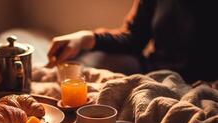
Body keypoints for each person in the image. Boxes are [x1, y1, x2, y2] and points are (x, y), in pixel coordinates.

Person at [47, 0, 216, 83]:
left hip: (202, 84)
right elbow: (134, 38)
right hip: (156, 73)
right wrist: (84, 38)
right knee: (86, 58)